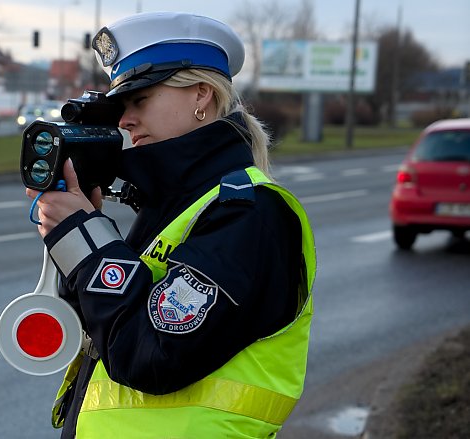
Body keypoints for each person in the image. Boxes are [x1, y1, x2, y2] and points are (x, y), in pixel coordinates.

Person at [25, 11, 316, 438]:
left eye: (139, 100)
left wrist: (86, 242)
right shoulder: (176, 206)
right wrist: (81, 232)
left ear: (201, 94)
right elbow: (105, 328)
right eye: (122, 106)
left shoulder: (248, 212)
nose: (124, 120)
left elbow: (152, 354)